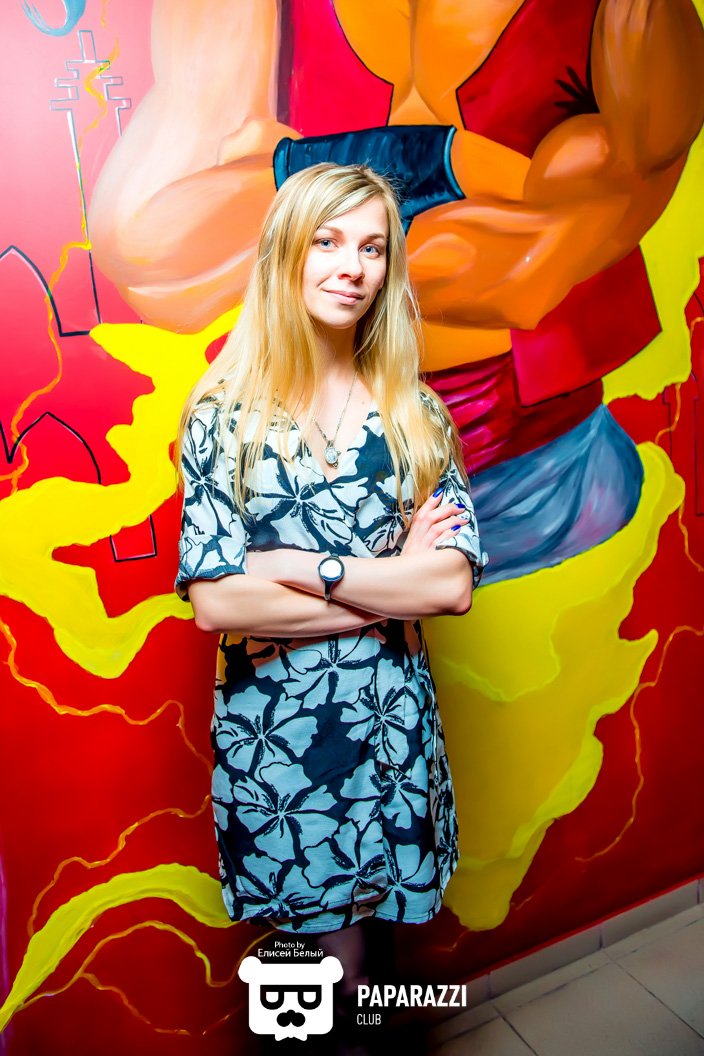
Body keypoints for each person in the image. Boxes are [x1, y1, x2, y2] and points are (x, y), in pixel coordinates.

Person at [174, 162, 486, 1045]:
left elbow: (450, 585)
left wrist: (299, 566)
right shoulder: (222, 417)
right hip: (280, 746)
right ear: (286, 253)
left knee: (377, 962)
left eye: (373, 248)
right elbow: (216, 603)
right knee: (319, 990)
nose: (352, 266)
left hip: (393, 727)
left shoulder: (417, 415)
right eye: (328, 241)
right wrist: (388, 590)